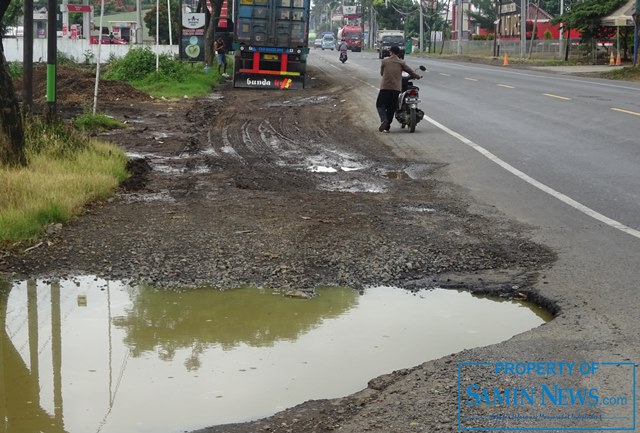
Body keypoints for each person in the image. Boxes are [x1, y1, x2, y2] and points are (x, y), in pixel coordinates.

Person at [376, 45, 422, 133]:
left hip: (385, 87)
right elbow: (411, 71)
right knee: (391, 107)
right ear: (398, 53)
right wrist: (417, 76)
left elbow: (382, 73)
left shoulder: (384, 61)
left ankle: (383, 119)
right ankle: (387, 127)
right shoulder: (401, 63)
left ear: (391, 52)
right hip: (396, 88)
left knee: (379, 104)